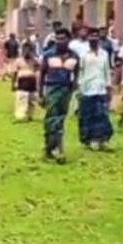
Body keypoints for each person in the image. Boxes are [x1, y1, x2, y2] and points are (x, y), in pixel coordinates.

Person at [40, 28, 80, 163]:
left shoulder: (74, 56)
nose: (60, 41)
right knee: (52, 119)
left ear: (69, 40)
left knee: (61, 119)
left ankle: (55, 149)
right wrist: (40, 94)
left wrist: (75, 84)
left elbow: (77, 71)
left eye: (63, 38)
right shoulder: (48, 55)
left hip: (66, 90)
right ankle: (53, 148)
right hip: (52, 88)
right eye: (58, 38)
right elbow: (41, 74)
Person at [77, 28, 114, 150]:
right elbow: (80, 72)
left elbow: (107, 71)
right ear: (88, 38)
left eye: (96, 36)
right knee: (87, 116)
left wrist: (109, 87)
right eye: (91, 36)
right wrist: (79, 88)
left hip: (101, 88)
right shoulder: (83, 53)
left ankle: (101, 140)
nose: (94, 38)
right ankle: (88, 140)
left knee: (102, 116)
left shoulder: (104, 53)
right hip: (87, 89)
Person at [10, 41, 40, 122]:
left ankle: (30, 115)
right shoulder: (18, 60)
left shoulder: (35, 60)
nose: (27, 52)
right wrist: (13, 84)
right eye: (25, 49)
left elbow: (39, 70)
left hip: (32, 82)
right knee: (22, 99)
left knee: (32, 100)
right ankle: (21, 117)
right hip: (22, 82)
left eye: (29, 49)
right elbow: (14, 73)